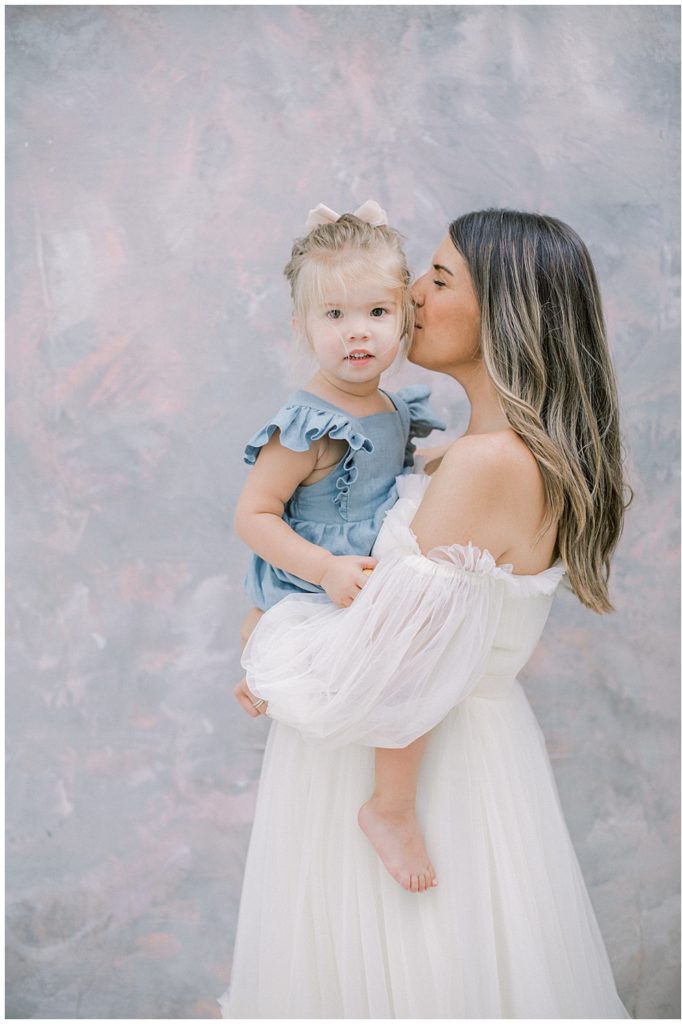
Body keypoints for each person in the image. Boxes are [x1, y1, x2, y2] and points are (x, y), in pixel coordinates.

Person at [219, 209, 632, 1018]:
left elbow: (396, 657)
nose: (412, 293)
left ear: (504, 313)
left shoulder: (483, 463)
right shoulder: (470, 447)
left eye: (440, 280)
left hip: (413, 767)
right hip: (438, 745)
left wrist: (267, 635)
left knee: (411, 973)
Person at [233, 199, 446, 893]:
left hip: (370, 559)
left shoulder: (392, 406)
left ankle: (262, 649)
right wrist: (322, 569)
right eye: (334, 316)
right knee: (411, 661)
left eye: (377, 314)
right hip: (319, 576)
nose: (358, 334)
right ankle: (390, 807)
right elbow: (255, 516)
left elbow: (393, 479)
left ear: (404, 318)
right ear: (301, 327)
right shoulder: (307, 424)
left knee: (425, 638)